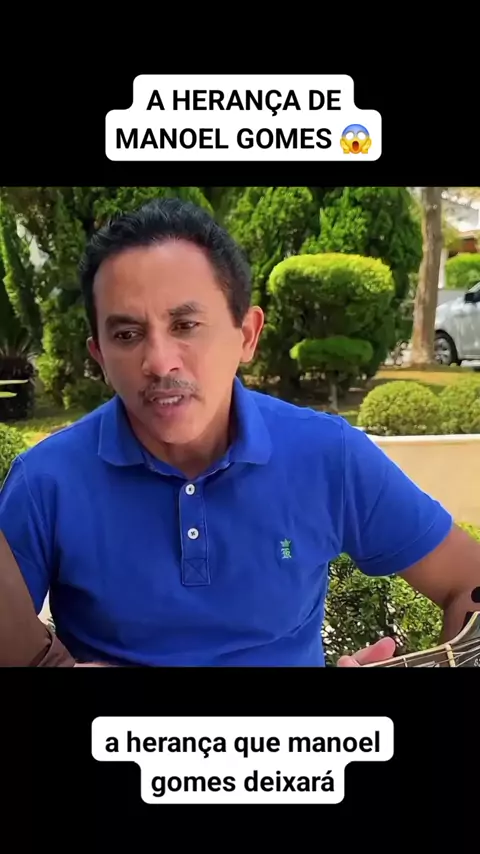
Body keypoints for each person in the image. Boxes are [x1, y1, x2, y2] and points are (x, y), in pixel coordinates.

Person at [0, 196, 479, 669]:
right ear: (100, 356)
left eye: (186, 325)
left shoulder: (327, 455)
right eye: (127, 335)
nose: (160, 362)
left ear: (247, 335)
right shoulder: (46, 482)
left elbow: (468, 581)